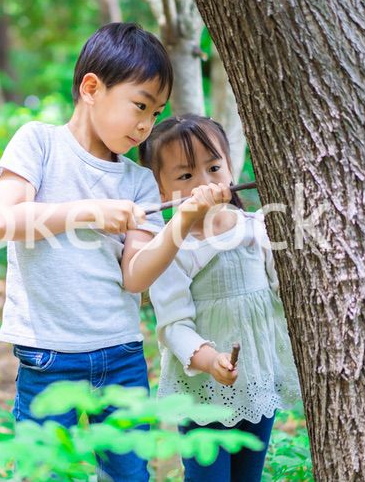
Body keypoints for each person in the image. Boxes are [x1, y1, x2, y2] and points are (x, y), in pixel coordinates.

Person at [0, 24, 230, 481]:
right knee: (42, 472)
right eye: (139, 105)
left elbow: (135, 278)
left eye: (155, 113)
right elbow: (6, 221)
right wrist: (88, 212)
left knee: (128, 474)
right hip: (47, 352)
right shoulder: (38, 143)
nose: (145, 125)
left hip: (120, 354)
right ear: (92, 88)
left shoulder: (138, 181)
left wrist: (179, 221)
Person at [140, 114, 301, 482]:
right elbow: (173, 325)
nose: (204, 184)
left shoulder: (257, 228)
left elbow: (282, 290)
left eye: (213, 168)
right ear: (162, 191)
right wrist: (210, 360)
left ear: (230, 169)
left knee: (248, 476)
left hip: (256, 375)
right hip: (202, 386)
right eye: (185, 176)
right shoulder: (172, 248)